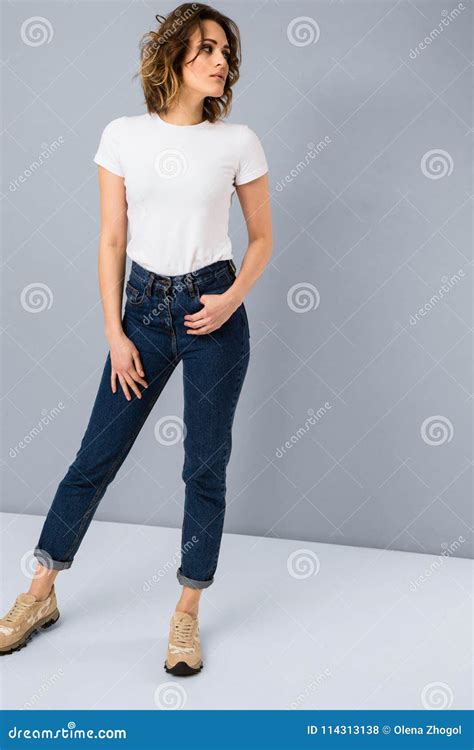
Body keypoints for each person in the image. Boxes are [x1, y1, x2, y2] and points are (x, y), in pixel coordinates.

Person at [0, 2, 272, 676]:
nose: (221, 62)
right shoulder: (123, 134)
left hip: (215, 316)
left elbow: (263, 238)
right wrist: (114, 332)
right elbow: (113, 238)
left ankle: (185, 614)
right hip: (143, 316)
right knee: (94, 459)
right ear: (174, 56)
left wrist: (232, 297)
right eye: (207, 48)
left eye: (226, 52)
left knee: (204, 467)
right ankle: (39, 595)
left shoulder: (238, 141)